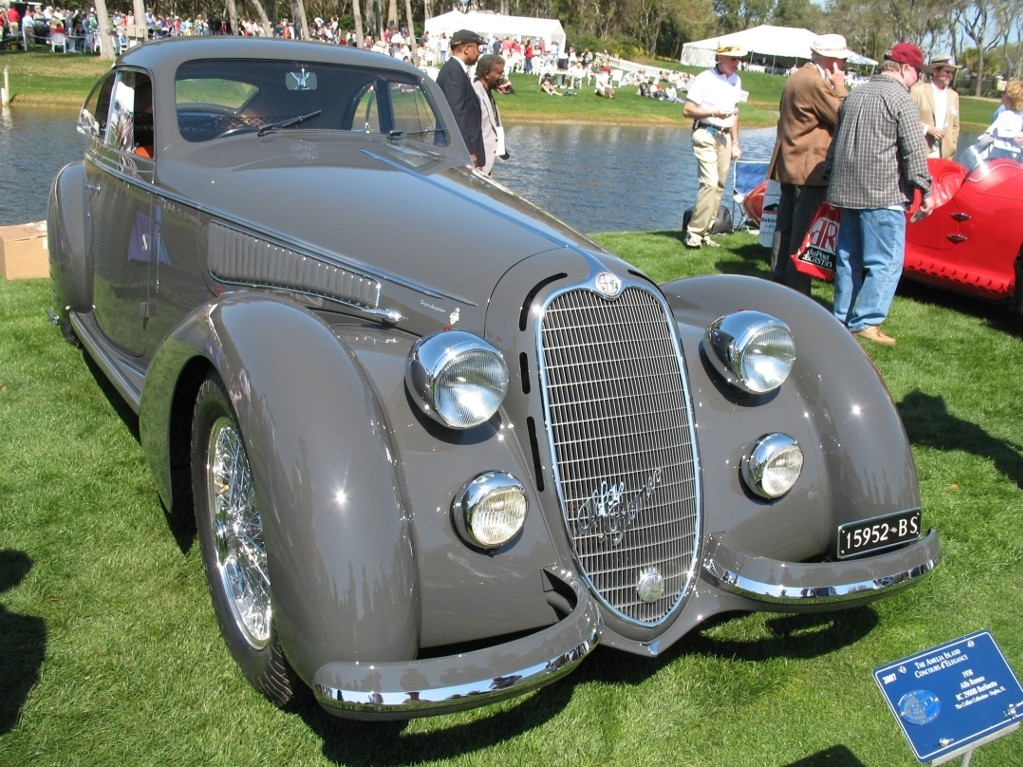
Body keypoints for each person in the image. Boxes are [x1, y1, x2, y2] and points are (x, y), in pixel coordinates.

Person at [825, 43, 933, 346]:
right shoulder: (901, 98)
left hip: (846, 191)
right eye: (918, 71)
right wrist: (925, 187)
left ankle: (842, 317)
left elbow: (834, 147)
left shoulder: (854, 94)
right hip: (882, 193)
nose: (918, 77)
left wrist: (829, 177)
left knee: (848, 258)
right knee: (886, 261)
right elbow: (914, 149)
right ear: (905, 69)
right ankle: (867, 321)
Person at [767, 33, 851, 294]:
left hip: (790, 163)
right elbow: (845, 115)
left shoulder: (797, 76)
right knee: (804, 232)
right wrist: (840, 86)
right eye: (842, 61)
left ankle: (779, 282)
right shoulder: (815, 82)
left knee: (786, 226)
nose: (844, 67)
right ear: (833, 61)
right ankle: (797, 290)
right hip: (808, 167)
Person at [682, 44, 746, 249]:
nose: (737, 63)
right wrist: (714, 112)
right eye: (733, 59)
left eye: (738, 59)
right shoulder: (704, 78)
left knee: (719, 186)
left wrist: (735, 142)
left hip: (725, 137)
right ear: (720, 57)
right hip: (705, 133)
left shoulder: (736, 80)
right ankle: (694, 232)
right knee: (709, 182)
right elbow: (687, 109)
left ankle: (707, 231)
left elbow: (735, 113)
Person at [436, 28, 486, 169]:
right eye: (477, 48)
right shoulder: (454, 73)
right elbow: (456, 115)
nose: (478, 53)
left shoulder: (456, 70)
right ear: (467, 48)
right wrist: (467, 151)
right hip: (459, 154)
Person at [910, 54, 961, 160]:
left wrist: (952, 145)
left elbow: (955, 126)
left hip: (944, 156)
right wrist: (927, 129)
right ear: (934, 71)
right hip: (921, 154)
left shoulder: (954, 96)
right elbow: (907, 120)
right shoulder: (918, 91)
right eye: (947, 72)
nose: (950, 76)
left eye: (951, 73)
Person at [474, 54, 508, 176]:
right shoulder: (476, 94)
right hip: (478, 163)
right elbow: (472, 130)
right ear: (487, 74)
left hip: (487, 162)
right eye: (499, 73)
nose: (501, 77)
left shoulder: (487, 92)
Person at [982, 80, 1023, 162]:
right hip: (1013, 162)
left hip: (995, 162)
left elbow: (986, 138)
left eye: (1004, 93)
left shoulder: (1004, 115)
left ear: (1010, 98)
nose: (1002, 96)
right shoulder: (1017, 117)